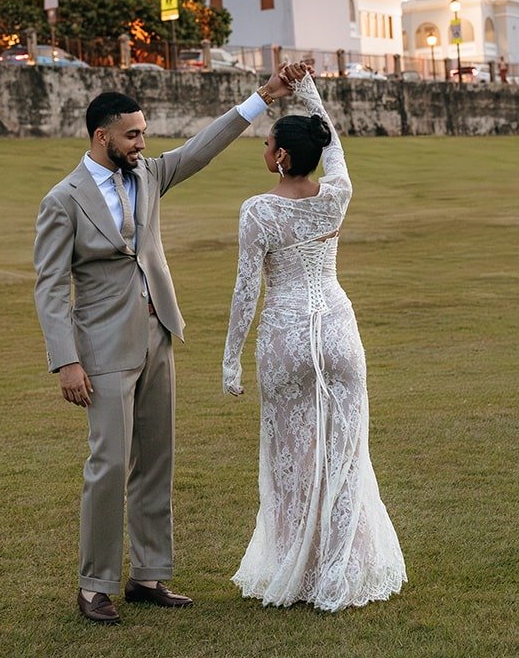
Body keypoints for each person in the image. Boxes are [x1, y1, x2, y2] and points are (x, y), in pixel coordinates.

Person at [34, 69, 295, 623]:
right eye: (132, 135)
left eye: (144, 133)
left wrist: (263, 98)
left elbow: (201, 149)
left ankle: (148, 575)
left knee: (156, 461)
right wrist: (66, 362)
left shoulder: (148, 175)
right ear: (102, 136)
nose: (142, 143)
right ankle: (95, 585)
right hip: (103, 350)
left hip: (158, 335)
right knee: (109, 464)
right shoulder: (62, 200)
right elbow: (50, 287)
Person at [222, 65, 407, 612]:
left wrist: (231, 360)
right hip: (337, 330)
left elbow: (245, 292)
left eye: (268, 143)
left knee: (291, 458)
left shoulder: (258, 211)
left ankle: (295, 570)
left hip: (285, 337)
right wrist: (310, 95)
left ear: (281, 156)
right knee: (345, 455)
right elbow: (337, 147)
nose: (264, 148)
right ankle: (338, 571)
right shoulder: (337, 194)